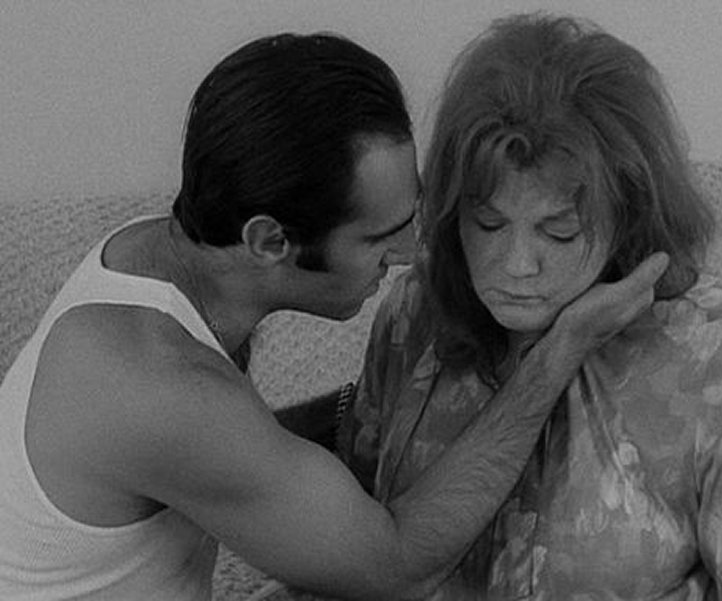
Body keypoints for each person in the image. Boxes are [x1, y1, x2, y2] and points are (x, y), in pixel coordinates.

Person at [0, 32, 667, 600]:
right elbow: (396, 567)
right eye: (380, 237)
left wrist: (368, 406)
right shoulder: (160, 386)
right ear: (270, 240)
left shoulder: (157, 256)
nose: (409, 254)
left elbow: (236, 452)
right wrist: (556, 354)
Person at [339, 12, 722, 599]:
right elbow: (356, 546)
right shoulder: (415, 314)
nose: (518, 265)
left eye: (559, 231)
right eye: (488, 224)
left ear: (629, 215)